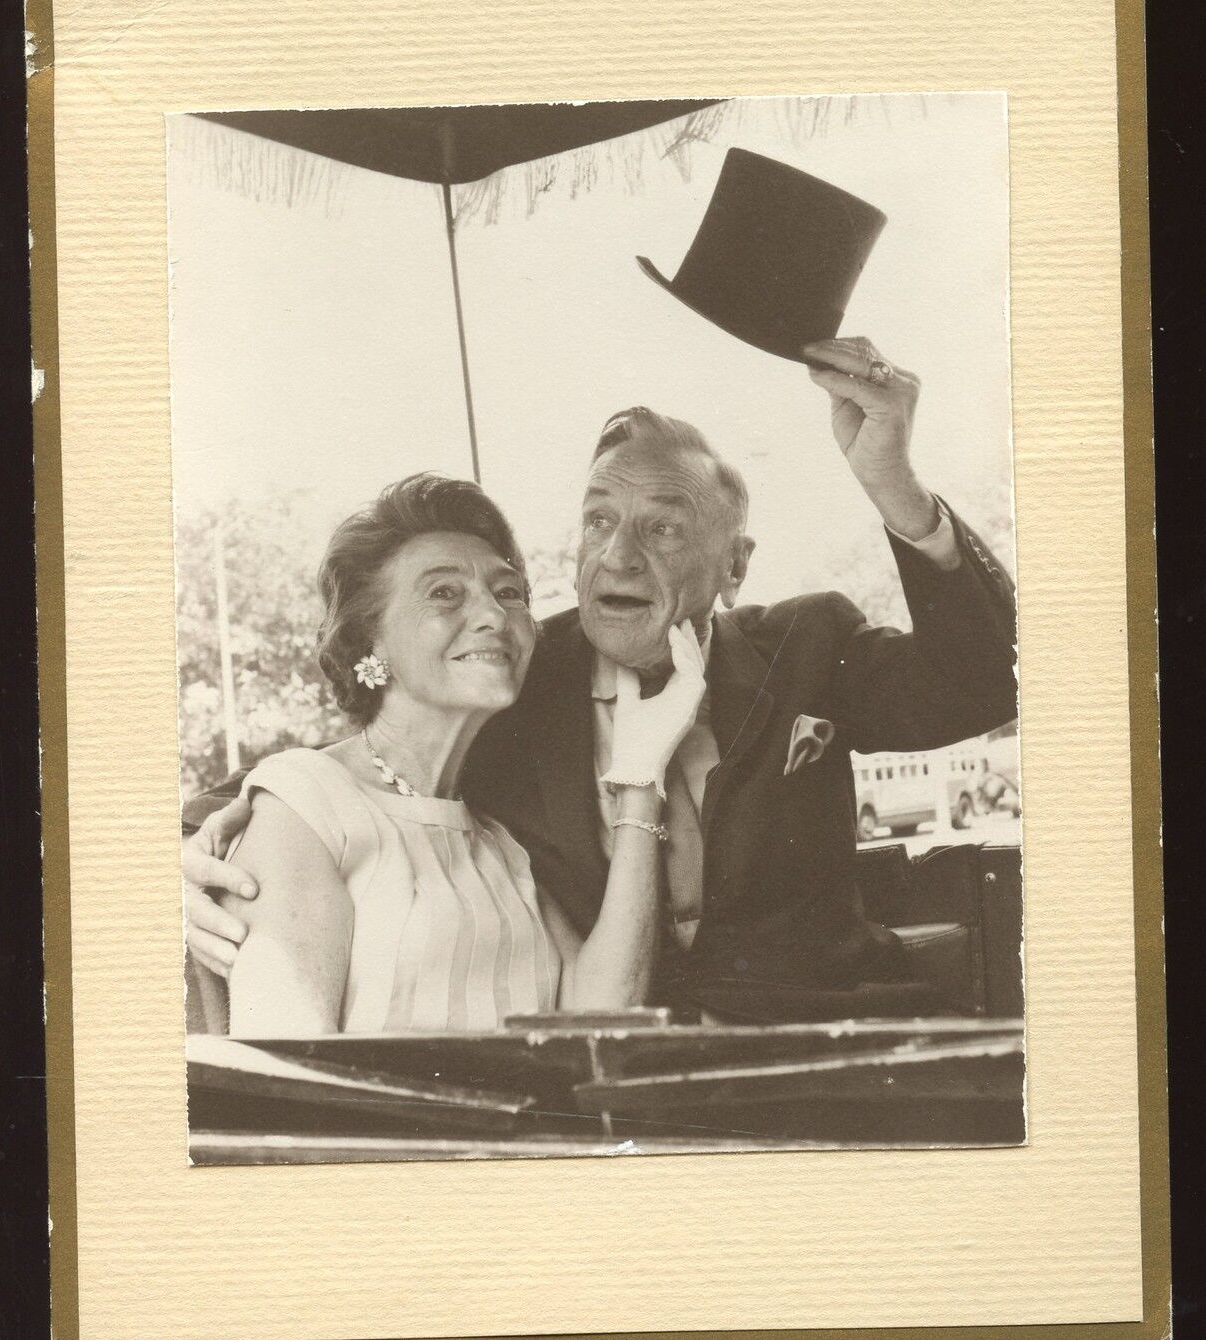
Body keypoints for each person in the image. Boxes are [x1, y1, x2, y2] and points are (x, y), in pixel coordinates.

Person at [185, 338, 1017, 1022]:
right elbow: (327, 780)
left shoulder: (805, 645)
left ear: (735, 566)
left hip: (828, 1048)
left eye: (662, 526)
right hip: (615, 1085)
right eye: (598, 521)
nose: (618, 556)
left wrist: (895, 488)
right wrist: (178, 857)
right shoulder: (507, 676)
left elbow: (987, 681)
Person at [190, 472, 705, 1037]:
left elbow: (605, 1019)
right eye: (444, 592)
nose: (493, 615)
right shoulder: (307, 805)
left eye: (509, 593)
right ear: (370, 641)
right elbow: (280, 1081)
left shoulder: (500, 845)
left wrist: (639, 772)